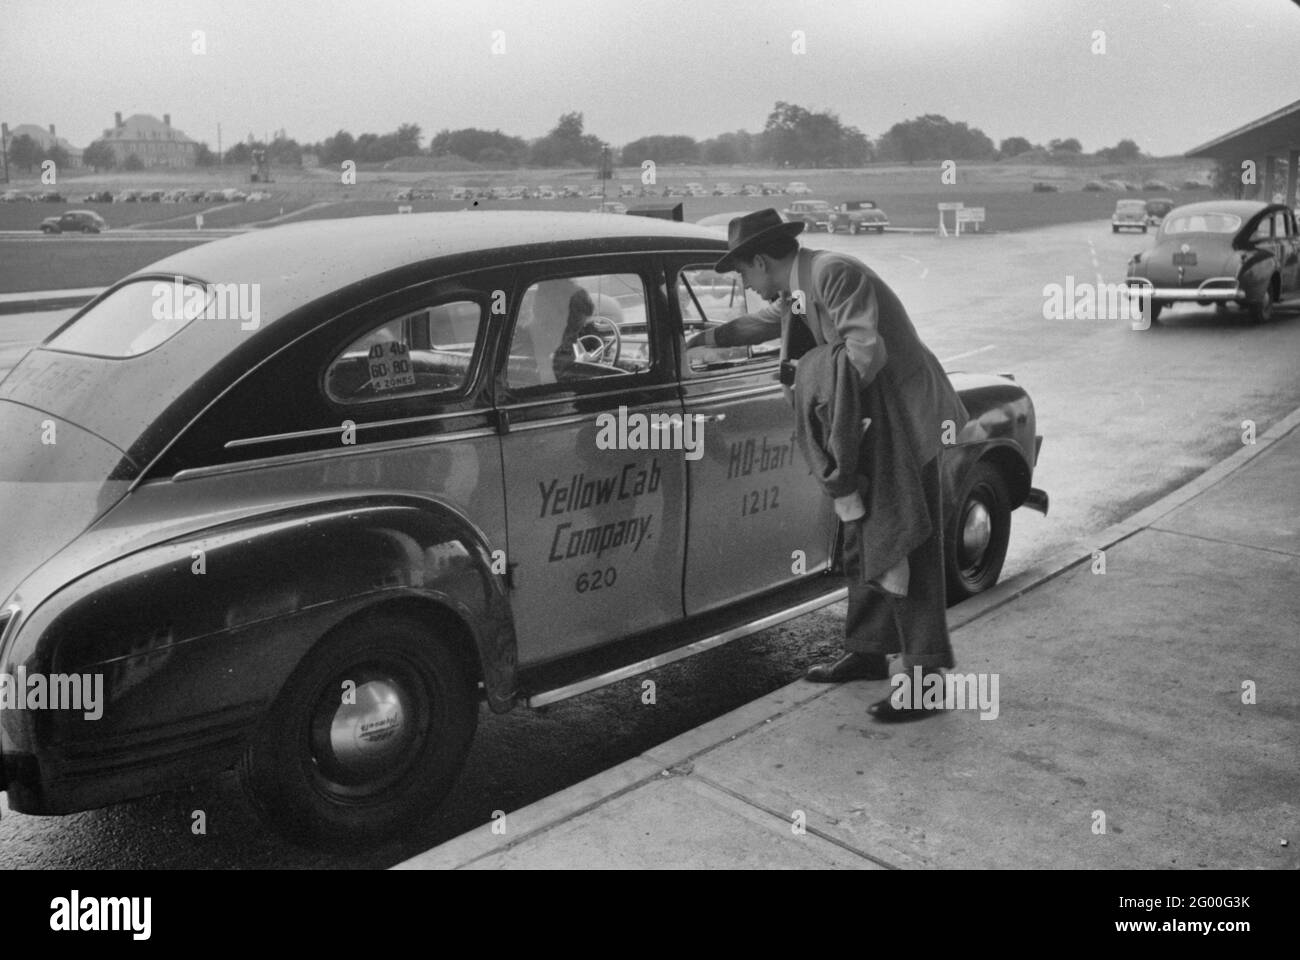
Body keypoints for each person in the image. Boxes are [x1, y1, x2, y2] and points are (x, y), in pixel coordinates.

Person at [685, 209, 968, 721]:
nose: (748, 288)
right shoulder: (800, 282)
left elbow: (865, 351)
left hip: (909, 420)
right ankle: (868, 651)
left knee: (908, 540)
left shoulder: (833, 272)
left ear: (763, 260)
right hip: (874, 422)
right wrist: (710, 339)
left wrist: (827, 411)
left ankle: (926, 683)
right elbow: (770, 322)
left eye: (744, 275)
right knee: (862, 538)